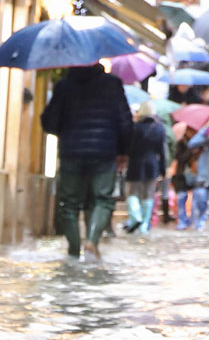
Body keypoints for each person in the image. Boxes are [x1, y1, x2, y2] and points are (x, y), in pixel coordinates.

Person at [40, 62, 134, 260]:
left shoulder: (64, 86)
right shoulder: (112, 84)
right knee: (103, 199)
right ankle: (91, 242)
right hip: (104, 152)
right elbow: (125, 122)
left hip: (71, 152)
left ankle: (73, 251)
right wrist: (124, 150)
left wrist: (67, 131)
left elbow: (49, 122)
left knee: (69, 204)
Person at [122, 102, 169, 235]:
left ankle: (135, 216)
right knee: (148, 194)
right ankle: (144, 224)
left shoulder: (134, 128)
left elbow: (128, 148)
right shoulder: (159, 128)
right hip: (152, 164)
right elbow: (162, 151)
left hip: (135, 163)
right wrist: (163, 169)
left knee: (132, 192)